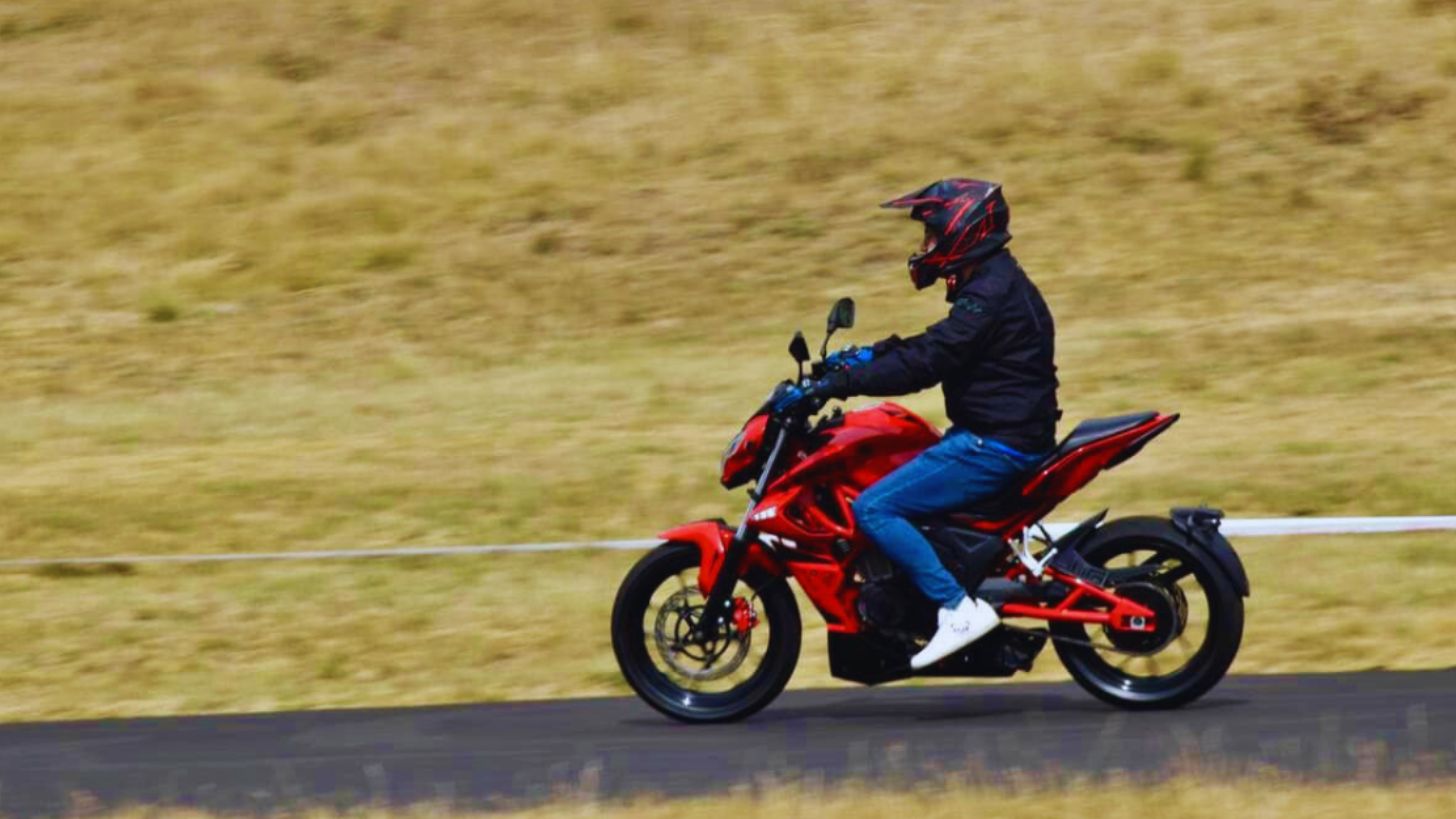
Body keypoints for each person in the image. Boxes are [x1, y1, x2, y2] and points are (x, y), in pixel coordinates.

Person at [776, 178, 1060, 670]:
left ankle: (957, 609)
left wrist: (843, 383)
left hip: (995, 443)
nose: (924, 246)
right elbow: (936, 344)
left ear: (962, 231)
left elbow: (929, 361)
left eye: (931, 235)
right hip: (1000, 431)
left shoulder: (987, 294)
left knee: (875, 508)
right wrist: (864, 356)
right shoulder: (992, 283)